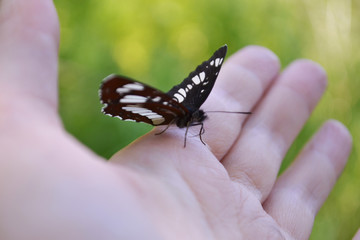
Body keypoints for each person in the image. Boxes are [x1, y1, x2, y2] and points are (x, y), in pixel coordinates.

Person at [0, 0, 358, 239]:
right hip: (154, 107)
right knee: (179, 109)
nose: (201, 118)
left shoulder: (190, 111)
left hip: (167, 112)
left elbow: (197, 109)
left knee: (187, 109)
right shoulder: (179, 111)